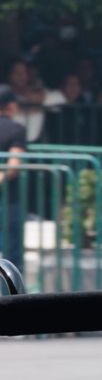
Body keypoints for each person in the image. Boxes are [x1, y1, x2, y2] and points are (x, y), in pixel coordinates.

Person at [0, 86, 26, 270]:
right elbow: (13, 166)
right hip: (9, 199)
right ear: (11, 106)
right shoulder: (16, 129)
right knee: (12, 257)